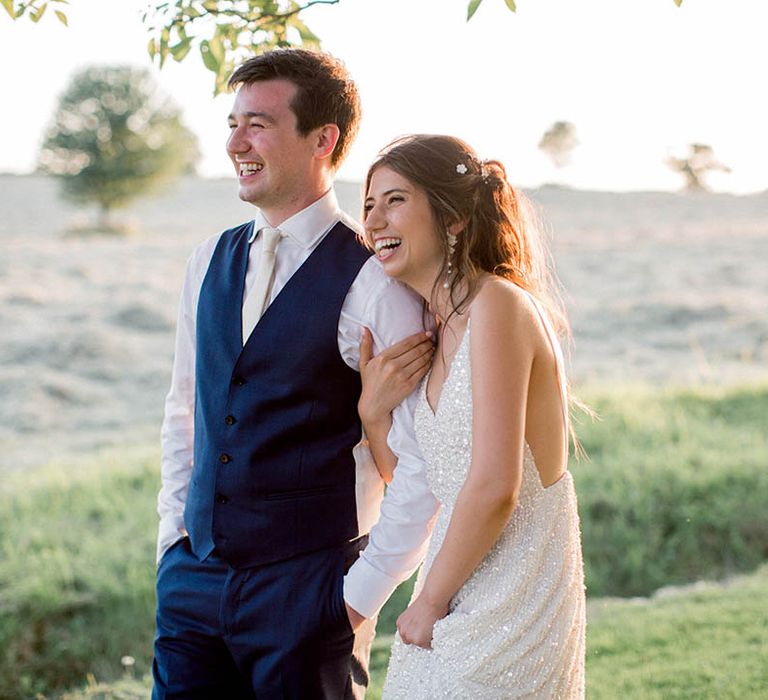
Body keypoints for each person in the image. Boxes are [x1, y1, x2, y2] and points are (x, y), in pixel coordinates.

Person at [152, 49, 439, 699]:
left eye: (258, 123)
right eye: (232, 123)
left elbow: (426, 462)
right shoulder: (208, 260)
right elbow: (184, 412)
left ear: (323, 139)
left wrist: (356, 601)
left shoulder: (373, 280)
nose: (235, 143)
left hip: (310, 595)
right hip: (193, 585)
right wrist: (172, 546)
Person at [357, 134, 586, 698]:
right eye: (368, 205)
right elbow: (421, 479)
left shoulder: (499, 305)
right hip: (455, 586)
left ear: (454, 217)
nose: (374, 220)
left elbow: (494, 487)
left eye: (395, 200)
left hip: (513, 595)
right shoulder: (438, 332)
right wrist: (373, 413)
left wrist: (430, 601)